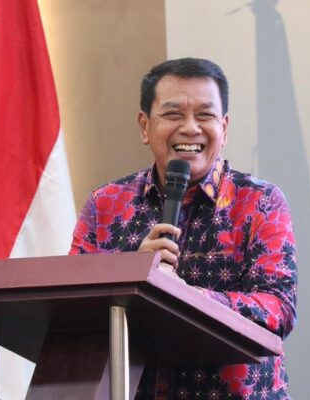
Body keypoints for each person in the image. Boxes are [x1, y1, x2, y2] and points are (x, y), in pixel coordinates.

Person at [70, 58, 297, 400]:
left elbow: (278, 309)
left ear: (224, 127)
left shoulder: (260, 201)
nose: (190, 128)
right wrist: (132, 274)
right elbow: (74, 309)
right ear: (145, 126)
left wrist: (186, 297)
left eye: (205, 115)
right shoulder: (106, 204)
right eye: (174, 114)